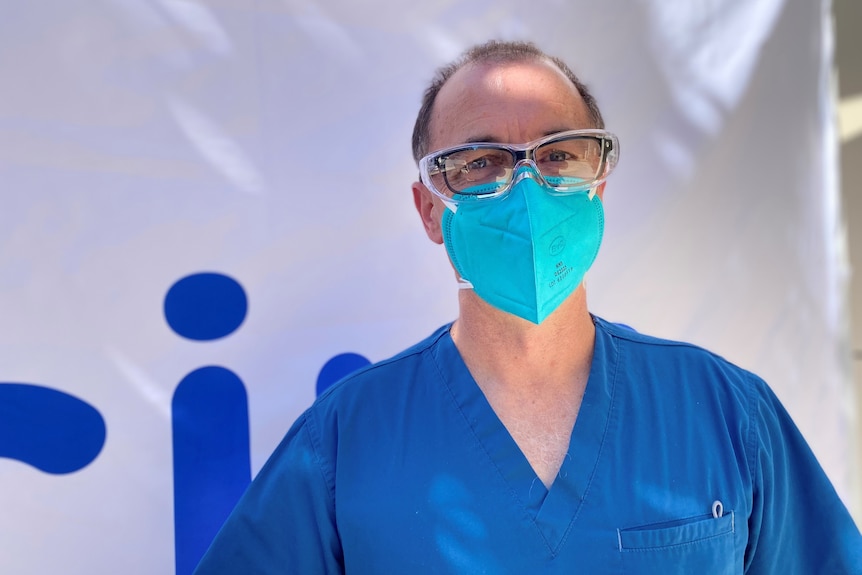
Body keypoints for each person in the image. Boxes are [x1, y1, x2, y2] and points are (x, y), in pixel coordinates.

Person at [194, 40, 862, 573]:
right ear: (431, 208)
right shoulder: (346, 441)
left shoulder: (725, 412)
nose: (526, 185)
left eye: (558, 154)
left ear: (596, 184)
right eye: (479, 161)